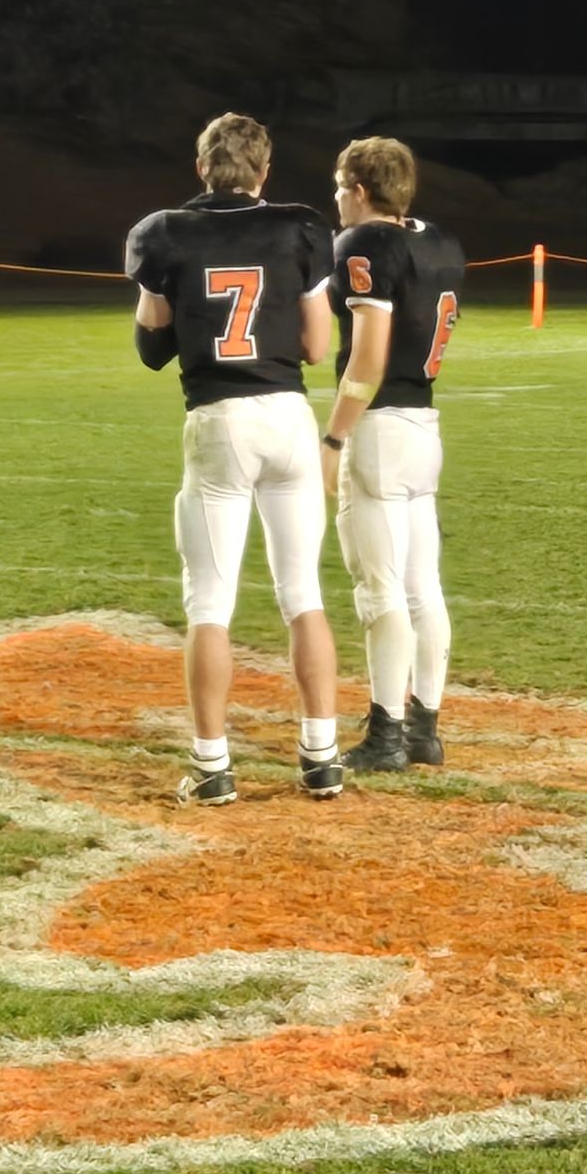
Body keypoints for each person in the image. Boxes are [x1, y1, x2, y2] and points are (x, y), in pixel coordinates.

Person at [127, 112, 345, 804]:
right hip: (286, 418)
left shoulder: (164, 233)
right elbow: (316, 348)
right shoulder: (300, 227)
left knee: (210, 604)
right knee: (302, 594)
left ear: (202, 169)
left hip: (219, 420)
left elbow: (152, 349)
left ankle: (214, 765)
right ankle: (322, 755)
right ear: (264, 171)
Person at [319, 135, 465, 774]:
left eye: (338, 189)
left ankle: (386, 736)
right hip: (424, 424)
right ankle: (424, 729)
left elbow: (369, 355)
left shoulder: (363, 244)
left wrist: (332, 437)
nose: (336, 202)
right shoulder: (439, 241)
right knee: (421, 588)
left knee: (379, 591)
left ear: (358, 189)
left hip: (378, 430)